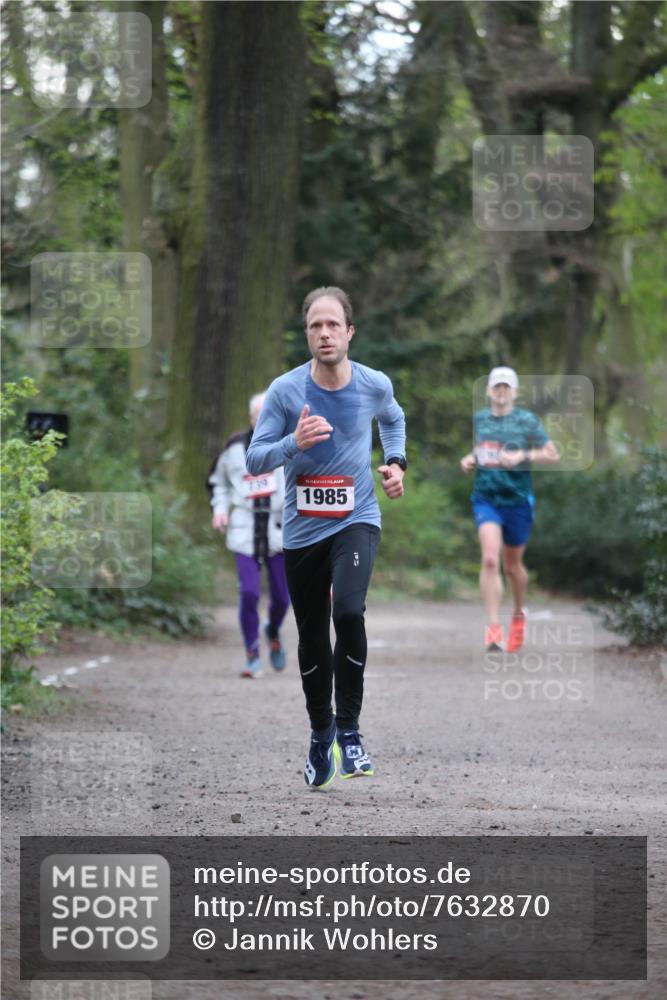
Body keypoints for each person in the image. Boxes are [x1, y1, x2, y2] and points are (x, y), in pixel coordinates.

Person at [246, 286, 406, 789]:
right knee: (312, 637)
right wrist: (294, 442)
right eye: (316, 325)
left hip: (356, 517)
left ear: (349, 332)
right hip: (301, 532)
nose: (324, 333)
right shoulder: (286, 391)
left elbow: (394, 418)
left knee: (350, 611)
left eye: (333, 324)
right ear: (307, 334)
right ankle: (322, 732)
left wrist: (396, 463)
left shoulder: (372, 383)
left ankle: (351, 731)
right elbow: (255, 459)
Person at [460, 367, 559, 653]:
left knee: (512, 567)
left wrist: (521, 455)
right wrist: (469, 460)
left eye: (506, 387)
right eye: (497, 387)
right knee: (490, 559)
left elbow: (553, 454)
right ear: (490, 390)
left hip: (517, 500)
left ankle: (518, 614)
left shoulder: (526, 421)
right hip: (486, 498)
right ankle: (493, 629)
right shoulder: (480, 420)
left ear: (514, 392)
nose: (501, 392)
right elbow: (481, 451)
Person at [207, 393, 290, 678]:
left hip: (279, 530)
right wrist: (220, 510)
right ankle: (252, 654)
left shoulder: (289, 442)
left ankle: (274, 629)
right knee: (250, 592)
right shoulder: (233, 448)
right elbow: (218, 484)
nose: (264, 419)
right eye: (259, 415)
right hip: (244, 527)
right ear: (252, 417)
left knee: (282, 597)